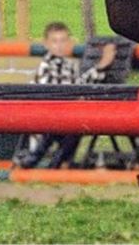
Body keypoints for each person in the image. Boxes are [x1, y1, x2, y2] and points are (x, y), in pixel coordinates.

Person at [13, 22, 116, 168]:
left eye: (63, 40)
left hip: (61, 115)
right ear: (46, 44)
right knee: (68, 126)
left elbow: (79, 86)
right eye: (55, 41)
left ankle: (48, 163)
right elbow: (51, 94)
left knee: (72, 126)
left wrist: (100, 67)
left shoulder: (69, 66)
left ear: (68, 42)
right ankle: (50, 163)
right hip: (46, 115)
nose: (59, 45)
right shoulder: (46, 67)